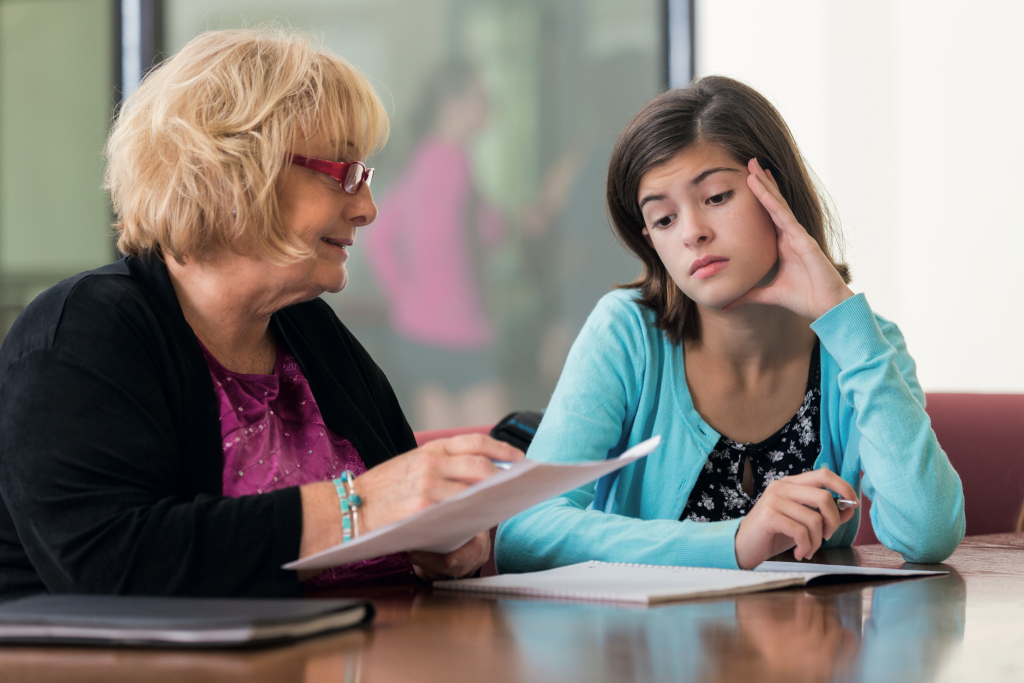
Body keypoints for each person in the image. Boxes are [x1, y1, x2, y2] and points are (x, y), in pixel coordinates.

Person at [0, 28, 523, 602]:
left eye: (367, 175)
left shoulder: (310, 329)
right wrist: (363, 507)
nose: (368, 208)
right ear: (232, 172)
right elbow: (114, 566)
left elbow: (406, 509)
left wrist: (444, 542)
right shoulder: (81, 334)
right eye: (341, 172)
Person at [496, 76, 965, 572]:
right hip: (648, 647)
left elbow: (929, 534)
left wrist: (842, 317)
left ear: (775, 193)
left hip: (815, 644)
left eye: (717, 196)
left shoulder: (860, 341)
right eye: (663, 220)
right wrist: (736, 542)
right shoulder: (626, 333)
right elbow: (524, 534)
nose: (693, 233)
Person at [364, 61, 507, 430]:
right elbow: (440, 239)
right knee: (499, 459)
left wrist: (408, 299)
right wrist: (445, 302)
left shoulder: (420, 158)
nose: (487, 106)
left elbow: (379, 240)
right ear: (451, 105)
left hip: (415, 333)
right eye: (479, 98)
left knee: (446, 463)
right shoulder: (452, 160)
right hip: (457, 331)